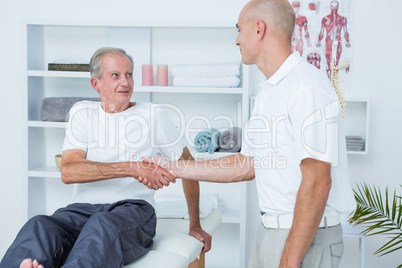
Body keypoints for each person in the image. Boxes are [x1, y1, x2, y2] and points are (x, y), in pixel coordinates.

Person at [140, 0, 356, 267]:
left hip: (305, 239)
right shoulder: (269, 92)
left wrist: (290, 259)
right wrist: (174, 167)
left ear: (259, 29)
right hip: (270, 233)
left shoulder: (306, 87)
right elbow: (246, 164)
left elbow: (317, 182)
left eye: (239, 30)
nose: (236, 40)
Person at [0, 47, 211, 268]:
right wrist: (132, 168)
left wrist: (194, 225)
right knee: (39, 225)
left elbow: (188, 166)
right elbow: (69, 171)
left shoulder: (153, 115)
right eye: (116, 75)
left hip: (134, 211)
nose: (126, 82)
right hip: (80, 210)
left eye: (129, 74)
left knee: (100, 226)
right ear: (96, 84)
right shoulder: (82, 113)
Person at [317, 0, 351, 78]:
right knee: (328, 60)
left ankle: (335, 79)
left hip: (338, 41)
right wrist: (319, 41)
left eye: (336, 7)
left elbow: (345, 31)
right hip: (328, 41)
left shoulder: (342, 19)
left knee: (336, 61)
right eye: (332, 7)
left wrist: (347, 41)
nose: (334, 9)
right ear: (330, 7)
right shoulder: (325, 19)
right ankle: (329, 78)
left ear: (338, 7)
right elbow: (321, 31)